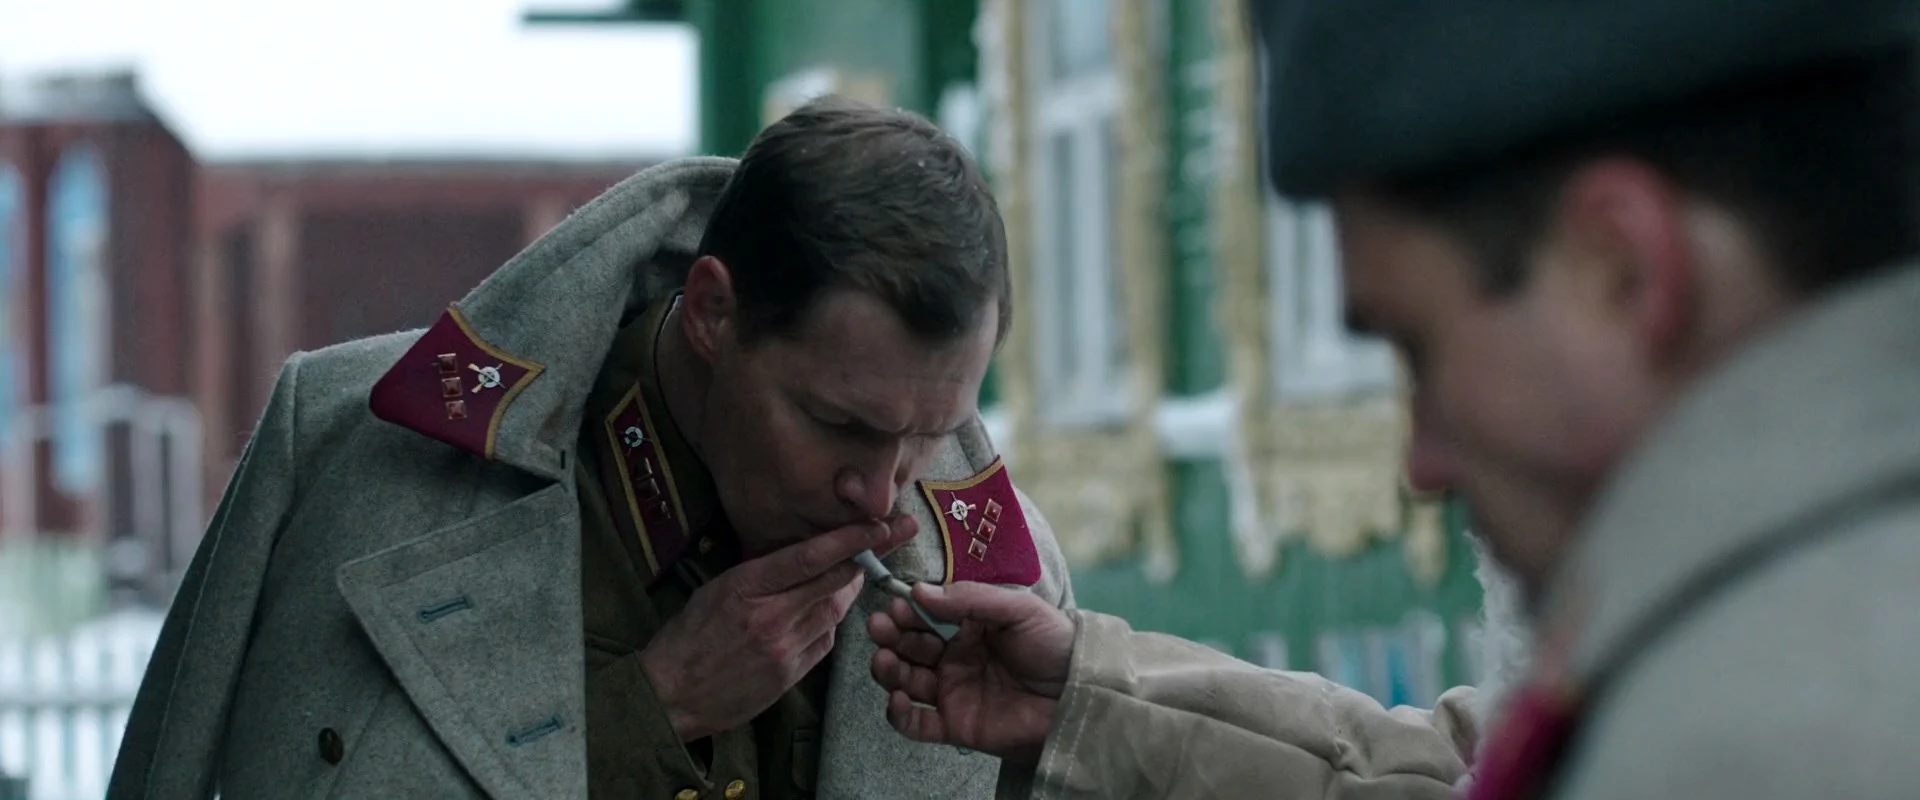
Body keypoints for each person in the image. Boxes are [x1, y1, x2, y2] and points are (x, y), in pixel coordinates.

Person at [868, 1, 1920, 798]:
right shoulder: (1761, 654)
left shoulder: (1746, 741)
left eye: (1417, 345)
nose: (1422, 460)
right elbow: (1458, 772)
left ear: (1621, 268)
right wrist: (1087, 698)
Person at [107, 96, 1074, 800]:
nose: (882, 492)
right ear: (713, 312)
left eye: (927, 434)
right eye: (840, 424)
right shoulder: (351, 447)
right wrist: (651, 713)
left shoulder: (1008, 581)